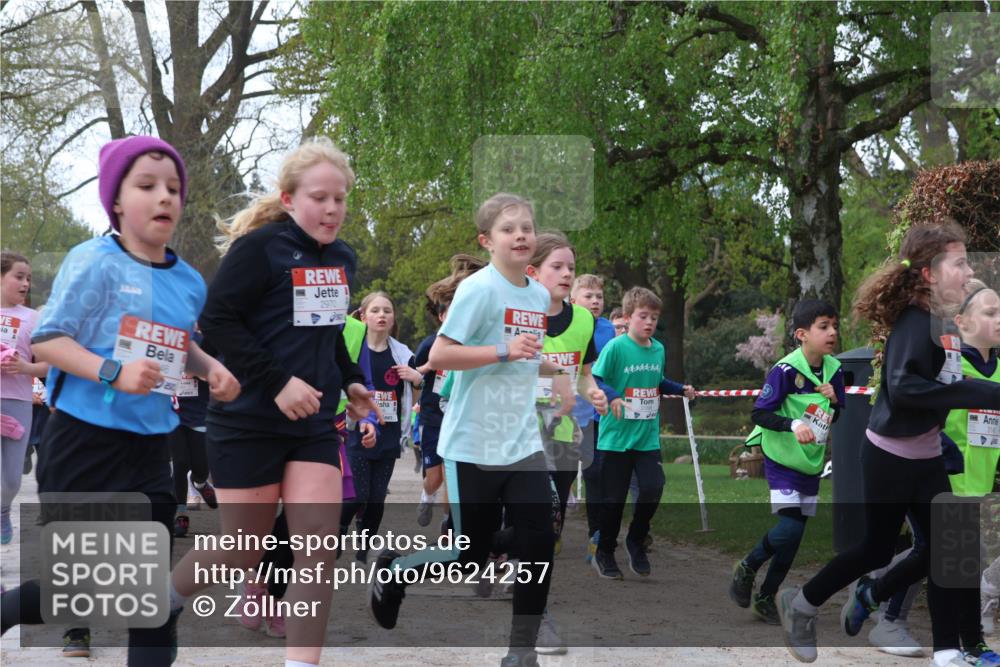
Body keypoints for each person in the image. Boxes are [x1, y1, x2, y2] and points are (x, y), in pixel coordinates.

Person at [0, 136, 240, 666]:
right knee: (91, 587)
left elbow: (180, 342)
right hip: (84, 442)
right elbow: (50, 340)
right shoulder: (95, 262)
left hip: (152, 446)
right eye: (147, 185)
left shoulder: (188, 280)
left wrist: (210, 367)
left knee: (147, 597)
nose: (164, 198)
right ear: (115, 201)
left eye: (173, 188)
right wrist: (114, 372)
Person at [167, 137, 380, 667]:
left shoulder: (344, 258)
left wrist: (351, 379)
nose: (332, 209)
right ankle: (159, 604)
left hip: (311, 424)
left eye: (340, 198)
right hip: (247, 420)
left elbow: (326, 331)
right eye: (319, 197)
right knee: (243, 549)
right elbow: (217, 322)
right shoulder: (260, 249)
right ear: (289, 199)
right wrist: (278, 380)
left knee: (316, 552)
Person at [778, 222, 1000, 666]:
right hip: (890, 456)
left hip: (928, 453)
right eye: (958, 262)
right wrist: (986, 394)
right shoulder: (916, 323)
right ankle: (801, 604)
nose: (967, 269)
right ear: (928, 274)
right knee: (877, 550)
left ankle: (947, 650)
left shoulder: (941, 321)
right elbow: (902, 389)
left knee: (947, 547)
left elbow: (946, 382)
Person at [367, 192, 574, 667]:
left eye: (527, 227)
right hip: (472, 442)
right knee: (470, 555)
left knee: (538, 544)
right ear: (487, 240)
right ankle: (397, 572)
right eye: (508, 229)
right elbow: (439, 357)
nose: (520, 235)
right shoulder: (478, 290)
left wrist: (557, 374)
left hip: (520, 439)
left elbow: (523, 357)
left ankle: (520, 655)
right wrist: (504, 352)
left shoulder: (537, 294)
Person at [729, 299, 845, 625]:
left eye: (835, 325)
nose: (832, 332)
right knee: (789, 526)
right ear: (802, 334)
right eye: (824, 326)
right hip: (781, 458)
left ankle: (766, 596)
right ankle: (747, 567)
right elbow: (760, 413)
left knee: (794, 537)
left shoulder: (835, 371)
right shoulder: (785, 370)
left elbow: (836, 416)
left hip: (810, 463)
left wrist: (834, 401)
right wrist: (793, 424)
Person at [525, 234, 608, 654]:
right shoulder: (518, 316)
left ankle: (536, 614)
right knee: (523, 526)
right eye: (556, 266)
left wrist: (591, 390)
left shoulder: (583, 321)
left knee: (547, 527)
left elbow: (585, 372)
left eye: (570, 267)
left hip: (560, 436)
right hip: (517, 434)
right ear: (532, 272)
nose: (566, 274)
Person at [590, 286, 695, 580]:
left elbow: (656, 380)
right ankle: (605, 551)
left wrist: (680, 389)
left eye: (654, 317)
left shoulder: (658, 348)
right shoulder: (616, 347)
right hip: (616, 438)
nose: (649, 322)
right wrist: (612, 396)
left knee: (652, 488)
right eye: (643, 316)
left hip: (646, 437)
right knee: (614, 501)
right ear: (627, 317)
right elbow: (594, 377)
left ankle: (636, 540)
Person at [340, 291, 419, 563]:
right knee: (356, 495)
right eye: (375, 310)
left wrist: (416, 377)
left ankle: (363, 550)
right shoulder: (351, 349)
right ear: (362, 316)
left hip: (389, 433)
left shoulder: (402, 354)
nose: (382, 315)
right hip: (355, 430)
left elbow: (423, 384)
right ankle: (336, 536)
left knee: (375, 499)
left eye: (387, 310)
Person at [413, 255, 487, 528]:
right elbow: (418, 374)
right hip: (438, 418)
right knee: (438, 478)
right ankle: (449, 523)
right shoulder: (434, 344)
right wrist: (417, 388)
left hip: (484, 416)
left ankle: (453, 524)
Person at [1, 250, 48, 545]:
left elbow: (50, 363)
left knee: (12, 479)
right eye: (19, 276)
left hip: (19, 403)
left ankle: (3, 509)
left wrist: (25, 367)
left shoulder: (34, 318)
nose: (26, 283)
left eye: (28, 278)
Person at [569, 275, 616, 563]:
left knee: (596, 473)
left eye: (599, 296)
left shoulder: (608, 329)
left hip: (596, 414)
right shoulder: (564, 322)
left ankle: (595, 536)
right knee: (557, 479)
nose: (596, 301)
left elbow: (607, 370)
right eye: (589, 296)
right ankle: (552, 530)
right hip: (563, 412)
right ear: (573, 298)